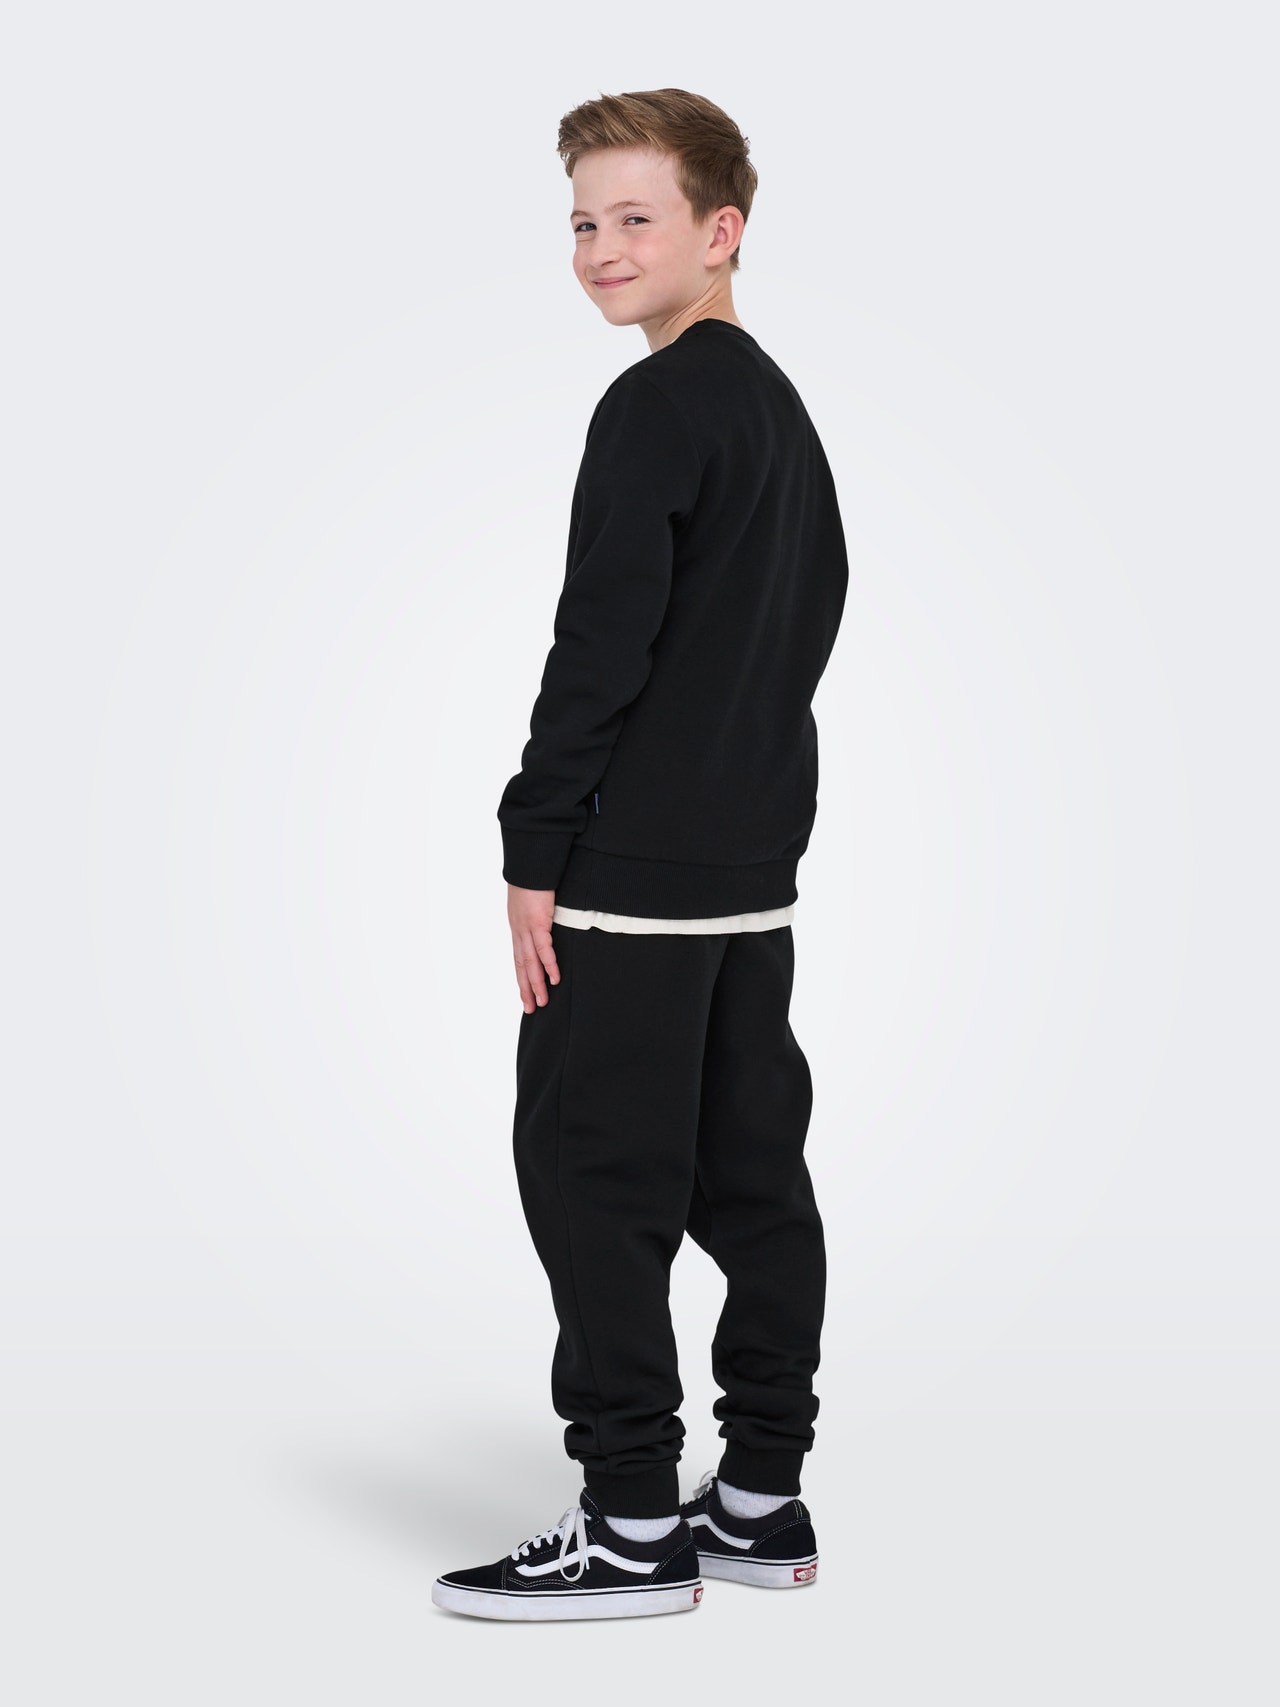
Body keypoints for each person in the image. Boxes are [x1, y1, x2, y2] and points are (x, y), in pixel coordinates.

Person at [431, 87, 849, 1622]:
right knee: (754, 1182)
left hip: (632, 882)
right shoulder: (777, 409)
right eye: (582, 223)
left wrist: (536, 840)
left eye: (636, 218)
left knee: (591, 1181)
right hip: (747, 882)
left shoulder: (658, 404)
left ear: (720, 230)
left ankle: (625, 1522)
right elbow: (805, 626)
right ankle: (760, 1497)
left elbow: (600, 647)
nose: (602, 249)